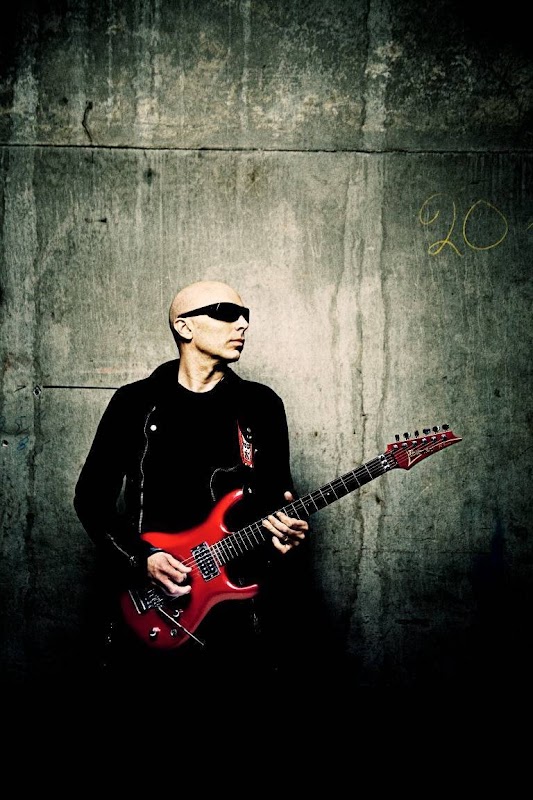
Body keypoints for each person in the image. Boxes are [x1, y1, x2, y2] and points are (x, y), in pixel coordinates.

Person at [74, 279, 310, 706]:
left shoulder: (260, 405)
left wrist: (285, 534)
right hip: (151, 603)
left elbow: (278, 500)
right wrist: (142, 559)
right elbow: (91, 500)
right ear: (184, 327)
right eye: (226, 313)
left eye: (246, 316)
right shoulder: (133, 403)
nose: (242, 325)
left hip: (233, 609)